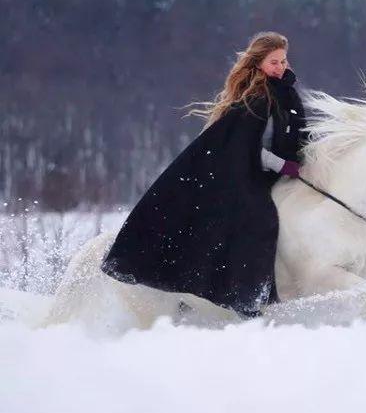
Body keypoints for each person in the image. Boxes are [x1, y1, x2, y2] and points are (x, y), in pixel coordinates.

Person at [101, 31, 307, 318]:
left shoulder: (283, 91)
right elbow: (246, 148)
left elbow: (292, 132)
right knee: (258, 219)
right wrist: (282, 165)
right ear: (258, 62)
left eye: (284, 61)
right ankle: (245, 299)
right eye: (274, 62)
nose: (281, 67)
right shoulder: (257, 97)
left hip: (266, 174)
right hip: (241, 175)